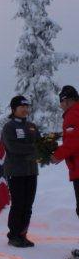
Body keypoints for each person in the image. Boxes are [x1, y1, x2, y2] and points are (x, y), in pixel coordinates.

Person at [1, 95, 40, 248]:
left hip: (31, 171)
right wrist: (34, 149)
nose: (25, 109)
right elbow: (13, 148)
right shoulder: (9, 127)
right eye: (21, 107)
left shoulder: (32, 126)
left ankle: (23, 234)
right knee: (18, 204)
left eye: (26, 107)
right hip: (16, 171)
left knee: (28, 205)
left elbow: (40, 144)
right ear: (14, 109)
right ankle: (13, 236)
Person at [51, 86, 79, 220]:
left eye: (61, 103)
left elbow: (73, 141)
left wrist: (57, 155)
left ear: (66, 100)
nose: (61, 106)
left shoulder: (73, 114)